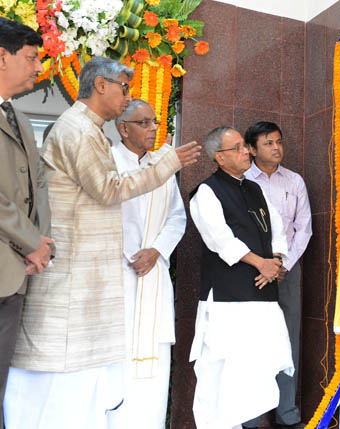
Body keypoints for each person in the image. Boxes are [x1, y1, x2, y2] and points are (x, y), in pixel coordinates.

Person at [4, 57, 202, 429]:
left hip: (88, 279)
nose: (126, 97)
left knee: (77, 388)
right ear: (101, 86)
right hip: (71, 280)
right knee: (54, 388)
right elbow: (109, 190)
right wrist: (167, 163)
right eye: (124, 89)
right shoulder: (79, 129)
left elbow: (173, 216)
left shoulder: (88, 129)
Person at [189, 126, 294, 429]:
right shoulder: (206, 192)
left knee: (256, 370)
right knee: (225, 374)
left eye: (244, 147)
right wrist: (260, 263)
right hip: (227, 300)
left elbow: (276, 229)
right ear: (219, 157)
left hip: (261, 298)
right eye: (237, 148)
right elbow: (219, 240)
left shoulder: (254, 188)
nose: (246, 152)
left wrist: (275, 261)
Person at [106, 99, 187, 428]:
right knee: (115, 364)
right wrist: (128, 253)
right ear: (123, 128)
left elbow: (176, 217)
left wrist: (155, 250)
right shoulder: (106, 161)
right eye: (145, 123)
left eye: (155, 121)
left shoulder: (163, 165)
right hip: (115, 277)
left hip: (153, 275)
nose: (155, 128)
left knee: (152, 367)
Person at [0, 17, 54, 429]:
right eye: (31, 58)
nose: (38, 68)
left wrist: (41, 242)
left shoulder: (18, 116)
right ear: (2, 57)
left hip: (15, 274)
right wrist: (31, 241)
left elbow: (38, 182)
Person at [244, 122, 312, 429]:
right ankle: (247, 416)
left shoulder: (294, 181)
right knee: (250, 341)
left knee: (288, 341)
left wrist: (283, 264)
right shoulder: (242, 181)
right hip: (251, 271)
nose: (276, 148)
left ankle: (287, 414)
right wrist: (263, 264)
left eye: (279, 142)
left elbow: (304, 228)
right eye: (268, 143)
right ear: (252, 149)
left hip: (288, 270)